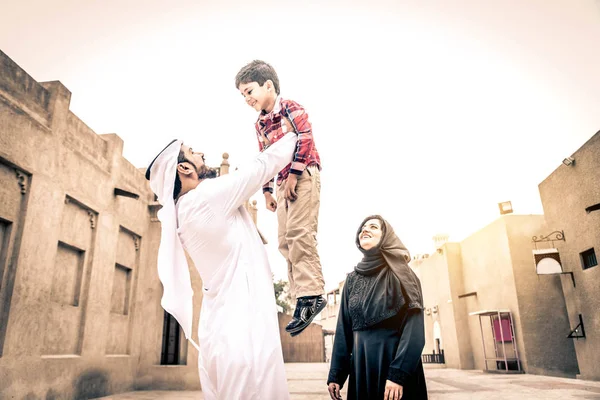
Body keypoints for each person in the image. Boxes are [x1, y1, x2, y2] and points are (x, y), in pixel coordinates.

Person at [145, 132, 300, 400]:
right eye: (193, 151)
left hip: (222, 338)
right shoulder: (204, 198)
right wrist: (296, 133)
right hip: (242, 339)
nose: (201, 154)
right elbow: (262, 166)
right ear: (184, 168)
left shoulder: (185, 212)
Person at [235, 60, 326, 336]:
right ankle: (302, 299)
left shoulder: (290, 107)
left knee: (300, 233)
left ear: (268, 86)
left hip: (303, 174)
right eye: (243, 95)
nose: (247, 99)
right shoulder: (260, 124)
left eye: (249, 91)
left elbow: (305, 138)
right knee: (285, 240)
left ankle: (313, 293)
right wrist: (266, 191)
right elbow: (265, 158)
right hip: (284, 182)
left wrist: (295, 175)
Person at [327, 215, 428, 400]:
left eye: (373, 227)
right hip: (361, 367)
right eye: (362, 228)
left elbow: (414, 330)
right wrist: (337, 374)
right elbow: (343, 329)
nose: (365, 230)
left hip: (393, 369)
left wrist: (398, 374)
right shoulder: (351, 280)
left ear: (386, 237)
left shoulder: (403, 275)